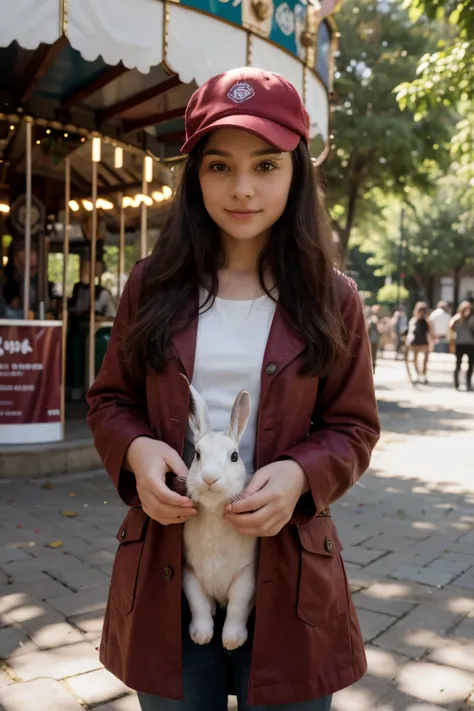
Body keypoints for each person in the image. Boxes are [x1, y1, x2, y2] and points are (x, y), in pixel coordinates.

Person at [87, 67, 380, 711]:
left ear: (297, 171)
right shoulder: (151, 285)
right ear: (194, 176)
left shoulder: (335, 298)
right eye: (219, 166)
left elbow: (354, 427)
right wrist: (136, 453)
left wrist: (301, 476)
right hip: (170, 569)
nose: (243, 189)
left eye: (266, 165)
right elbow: (110, 401)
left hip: (288, 576)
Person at [406, 302, 433, 384]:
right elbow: (410, 332)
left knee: (424, 361)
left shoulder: (427, 321)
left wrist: (431, 343)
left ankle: (423, 374)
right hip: (415, 342)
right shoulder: (413, 320)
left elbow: (430, 332)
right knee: (415, 359)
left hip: (424, 342)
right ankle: (417, 374)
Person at [449, 301, 474, 391]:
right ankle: (456, 383)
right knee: (458, 364)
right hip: (460, 343)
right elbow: (450, 328)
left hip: (470, 344)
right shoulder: (457, 318)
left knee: (470, 365)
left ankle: (468, 383)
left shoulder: (471, 318)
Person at [367, 305, 380, 373]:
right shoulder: (372, 318)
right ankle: (371, 368)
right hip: (371, 338)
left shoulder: (373, 318)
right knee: (371, 354)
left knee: (373, 354)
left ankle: (373, 368)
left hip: (373, 338)